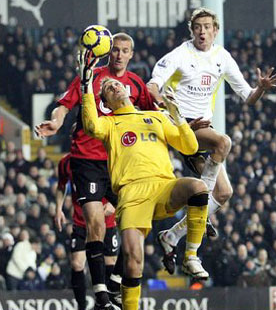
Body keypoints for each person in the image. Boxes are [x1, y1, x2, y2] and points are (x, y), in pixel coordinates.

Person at [147, 7, 276, 274]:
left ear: (215, 31)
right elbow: (152, 86)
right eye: (198, 27)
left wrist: (261, 89)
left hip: (201, 130)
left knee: (224, 193)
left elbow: (248, 97)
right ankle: (192, 251)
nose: (202, 31)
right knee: (224, 143)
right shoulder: (180, 55)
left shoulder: (222, 57)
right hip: (180, 127)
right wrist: (171, 112)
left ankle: (170, 236)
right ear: (192, 30)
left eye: (207, 26)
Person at [79, 50, 209, 310]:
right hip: (131, 195)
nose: (115, 86)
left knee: (198, 187)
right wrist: (86, 85)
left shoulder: (156, 116)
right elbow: (91, 125)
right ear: (105, 102)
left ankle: (191, 255)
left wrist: (176, 113)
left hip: (163, 186)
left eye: (116, 84)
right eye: (109, 89)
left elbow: (190, 145)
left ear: (127, 89)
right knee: (133, 259)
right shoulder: (109, 123)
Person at [35, 32, 156, 309]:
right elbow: (63, 106)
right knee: (96, 223)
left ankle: (113, 282)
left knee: (134, 227)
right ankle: (100, 293)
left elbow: (154, 112)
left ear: (131, 55)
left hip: (119, 161)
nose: (119, 55)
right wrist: (55, 123)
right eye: (115, 49)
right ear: (107, 51)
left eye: (125, 50)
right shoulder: (89, 78)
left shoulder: (136, 84)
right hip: (86, 159)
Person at [55, 153, 118, 310]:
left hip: (106, 220)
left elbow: (120, 181)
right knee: (77, 263)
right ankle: (81, 306)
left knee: (110, 264)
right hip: (80, 221)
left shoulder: (106, 156)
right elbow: (61, 185)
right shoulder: (65, 162)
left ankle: (109, 303)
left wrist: (113, 203)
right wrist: (58, 209)